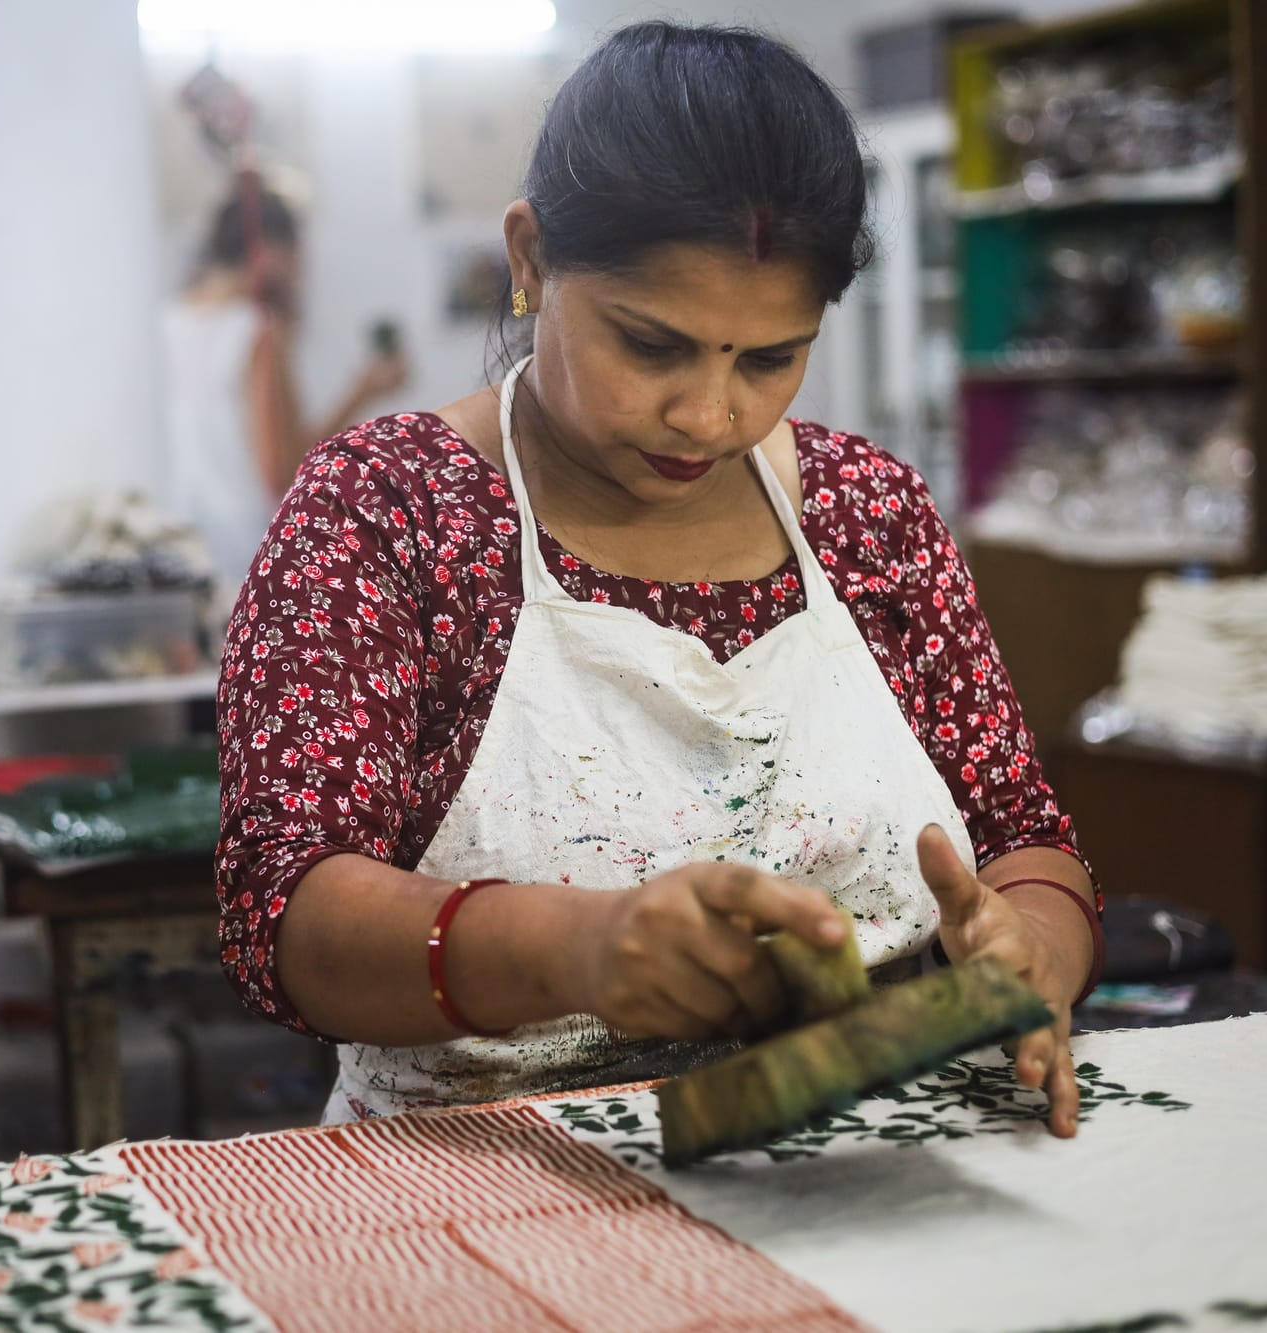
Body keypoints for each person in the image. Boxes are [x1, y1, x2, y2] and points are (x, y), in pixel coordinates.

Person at [214, 23, 1102, 1137]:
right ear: (529, 258)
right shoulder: (390, 509)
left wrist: (1030, 953)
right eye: (650, 345)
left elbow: (1023, 835)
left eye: (768, 358)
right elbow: (284, 913)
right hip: (485, 1172)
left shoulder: (864, 514)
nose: (706, 416)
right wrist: (576, 948)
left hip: (880, 1147)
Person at [163, 177, 407, 586]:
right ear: (272, 254)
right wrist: (363, 392)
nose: (301, 273)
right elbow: (286, 470)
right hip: (243, 550)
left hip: (178, 545)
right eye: (297, 257)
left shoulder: (165, 322)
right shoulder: (256, 332)